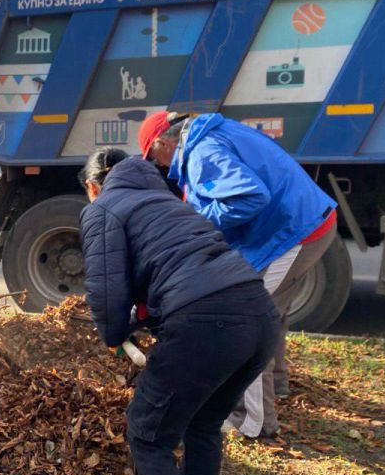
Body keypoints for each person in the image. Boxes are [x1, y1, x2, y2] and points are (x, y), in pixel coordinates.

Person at [79, 147, 279, 475]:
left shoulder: (103, 208)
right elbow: (171, 272)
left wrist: (113, 332)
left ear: (94, 186)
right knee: (204, 423)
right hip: (259, 315)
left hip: (209, 321)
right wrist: (138, 322)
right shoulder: (171, 204)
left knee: (149, 435)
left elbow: (107, 289)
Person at [139, 111, 337, 437]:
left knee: (249, 322)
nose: (159, 166)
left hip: (291, 232)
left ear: (163, 142)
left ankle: (252, 421)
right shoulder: (215, 133)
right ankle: (277, 383)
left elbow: (250, 196)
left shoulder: (202, 151)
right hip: (306, 223)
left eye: (153, 157)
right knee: (273, 313)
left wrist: (198, 220)